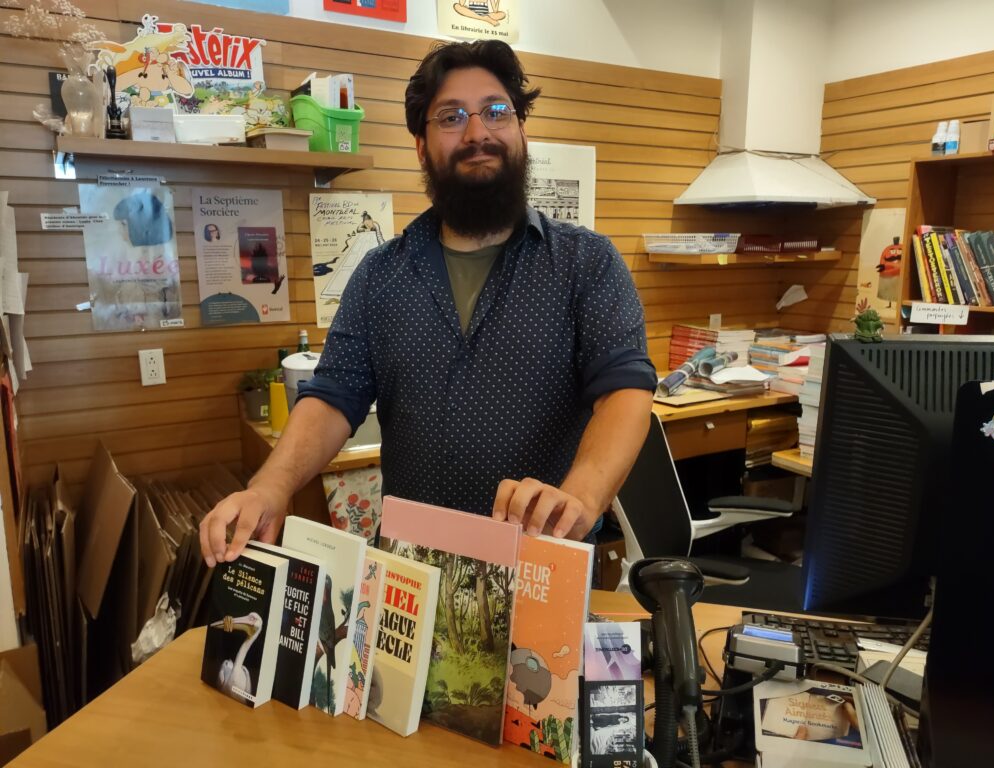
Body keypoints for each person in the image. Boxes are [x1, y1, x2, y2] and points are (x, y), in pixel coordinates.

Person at [199, 39, 656, 567]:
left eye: (496, 111)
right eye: (451, 116)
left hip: (544, 563)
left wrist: (580, 496)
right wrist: (269, 487)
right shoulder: (380, 274)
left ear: (522, 132)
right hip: (411, 581)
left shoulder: (586, 263)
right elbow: (333, 394)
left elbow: (625, 390)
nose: (478, 131)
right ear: (421, 147)